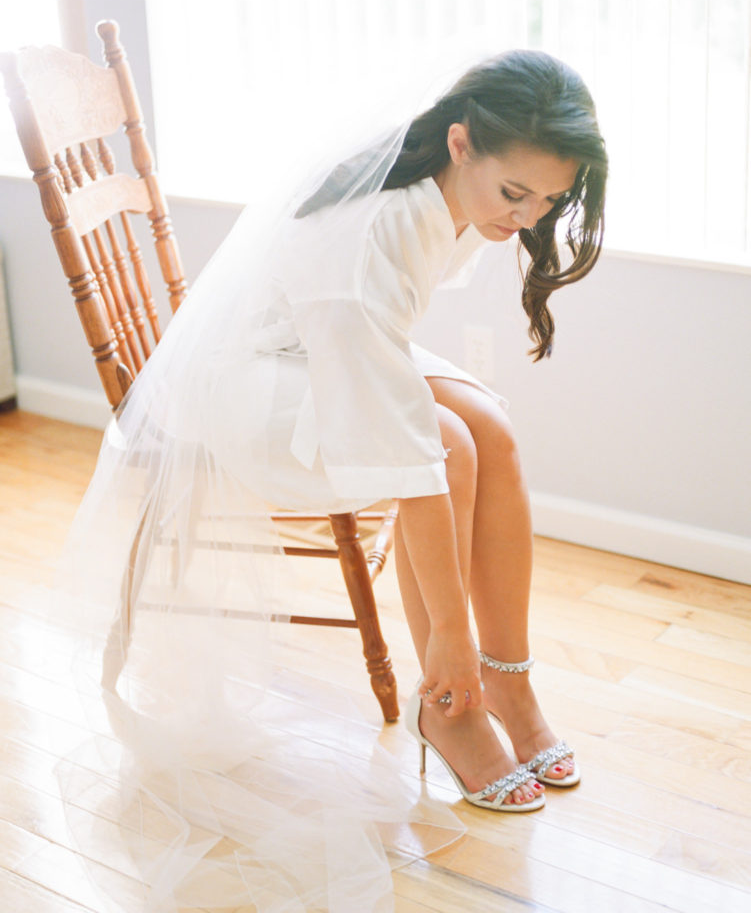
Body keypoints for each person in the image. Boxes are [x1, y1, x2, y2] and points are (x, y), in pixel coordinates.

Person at [59, 49, 607, 911]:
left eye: (549, 201)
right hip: (254, 383)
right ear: (461, 145)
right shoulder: (374, 237)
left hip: (318, 345)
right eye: (516, 195)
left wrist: (511, 207)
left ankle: (509, 679)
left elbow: (381, 359)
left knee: (488, 433)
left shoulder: (445, 189)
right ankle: (452, 698)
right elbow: (413, 464)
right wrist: (445, 639)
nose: (531, 218)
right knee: (451, 448)